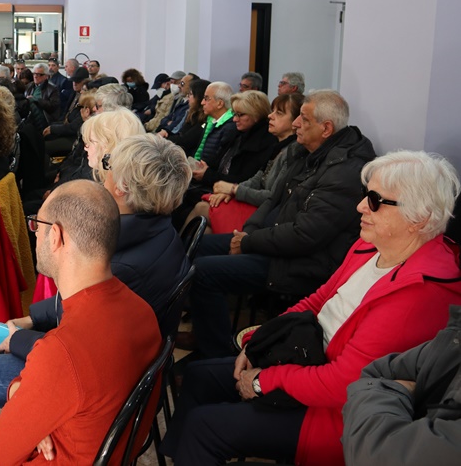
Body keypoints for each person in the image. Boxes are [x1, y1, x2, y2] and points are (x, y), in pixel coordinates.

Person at [164, 150, 461, 466]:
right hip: (304, 359)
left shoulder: (423, 292)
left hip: (335, 415)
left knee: (204, 427)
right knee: (198, 375)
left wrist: (265, 379)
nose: (360, 206)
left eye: (375, 200)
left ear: (421, 218)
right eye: (365, 195)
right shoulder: (371, 244)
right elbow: (320, 299)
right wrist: (262, 339)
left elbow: (344, 384)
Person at [0, 180, 162, 465]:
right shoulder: (143, 311)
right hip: (101, 446)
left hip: (55, 455)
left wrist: (29, 415)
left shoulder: (61, 351)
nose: (33, 233)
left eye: (37, 226)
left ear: (56, 237)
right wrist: (34, 416)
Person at [0, 134, 192, 420]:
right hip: (113, 363)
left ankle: (24, 423)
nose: (102, 175)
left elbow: (75, 350)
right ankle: (25, 415)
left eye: (109, 165)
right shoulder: (158, 231)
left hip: (96, 381)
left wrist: (19, 339)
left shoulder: (119, 264)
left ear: (123, 187)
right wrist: (31, 317)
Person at [180, 90, 377, 357]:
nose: (296, 123)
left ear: (326, 128)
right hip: (273, 242)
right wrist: (247, 234)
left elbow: (306, 235)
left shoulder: (345, 170)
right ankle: (205, 332)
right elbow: (272, 200)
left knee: (203, 272)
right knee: (196, 244)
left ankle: (216, 354)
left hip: (302, 261)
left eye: (303, 119)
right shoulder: (306, 151)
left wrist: (248, 242)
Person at [342, 304, 461, 465]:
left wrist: (393, 391)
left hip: (342, 423)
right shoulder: (454, 338)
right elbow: (376, 372)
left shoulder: (420, 293)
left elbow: (375, 456)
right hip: (356, 421)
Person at [190, 93, 304, 234]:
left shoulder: (288, 151)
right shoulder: (277, 147)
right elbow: (257, 178)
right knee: (204, 231)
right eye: (272, 111)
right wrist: (232, 191)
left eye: (279, 113)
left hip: (263, 215)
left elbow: (273, 196)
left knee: (201, 208)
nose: (270, 116)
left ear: (296, 121)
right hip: (255, 205)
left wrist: (234, 190)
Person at [159, 78, 209, 156]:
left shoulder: (203, 119)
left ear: (199, 97)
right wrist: (166, 133)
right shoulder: (193, 113)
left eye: (191, 94)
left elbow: (185, 141)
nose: (188, 97)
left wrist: (165, 138)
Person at [21, 62, 60, 130]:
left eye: (39, 74)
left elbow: (53, 107)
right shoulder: (29, 86)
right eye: (34, 74)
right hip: (29, 119)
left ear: (46, 76)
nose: (35, 76)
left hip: (45, 120)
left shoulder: (52, 88)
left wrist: (37, 100)